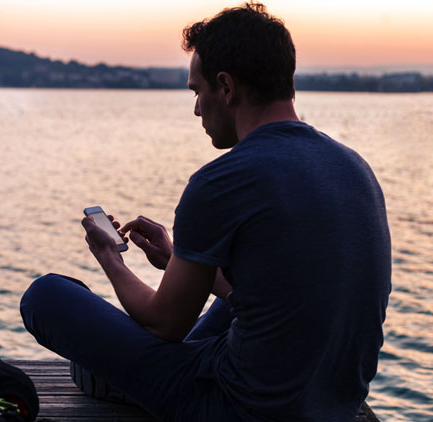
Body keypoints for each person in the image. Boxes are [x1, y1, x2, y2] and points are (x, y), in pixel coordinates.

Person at [20, 2, 391, 421]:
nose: (197, 109)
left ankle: (138, 376)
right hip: (332, 403)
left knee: (47, 295)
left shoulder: (223, 180)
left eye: (197, 92)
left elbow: (165, 326)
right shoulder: (354, 168)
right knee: (244, 291)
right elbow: (275, 295)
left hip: (236, 409)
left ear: (226, 87)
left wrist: (108, 257)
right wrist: (177, 259)